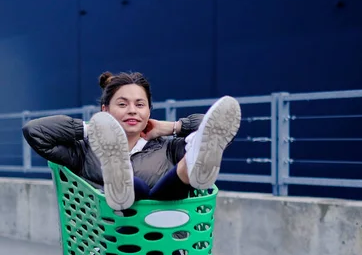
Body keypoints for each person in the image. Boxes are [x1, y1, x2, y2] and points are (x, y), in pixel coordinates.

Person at [23, 71, 241, 210]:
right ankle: (181, 170)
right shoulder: (83, 152)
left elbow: (221, 135)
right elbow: (35, 131)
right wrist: (97, 129)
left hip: (165, 246)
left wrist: (174, 127)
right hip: (108, 246)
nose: (132, 111)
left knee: (193, 154)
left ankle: (186, 167)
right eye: (122, 104)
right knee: (147, 189)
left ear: (148, 111)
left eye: (139, 104)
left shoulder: (167, 148)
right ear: (105, 110)